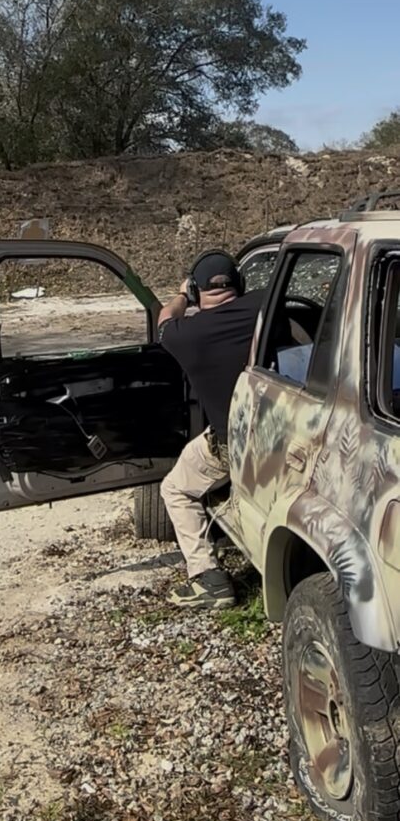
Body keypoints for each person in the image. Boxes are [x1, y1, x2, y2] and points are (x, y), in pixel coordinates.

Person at [157, 249, 267, 610]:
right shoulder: (267, 307)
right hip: (285, 432)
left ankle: (207, 578)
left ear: (197, 289)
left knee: (175, 488)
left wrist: (182, 296)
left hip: (234, 446)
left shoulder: (186, 336)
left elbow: (164, 319)